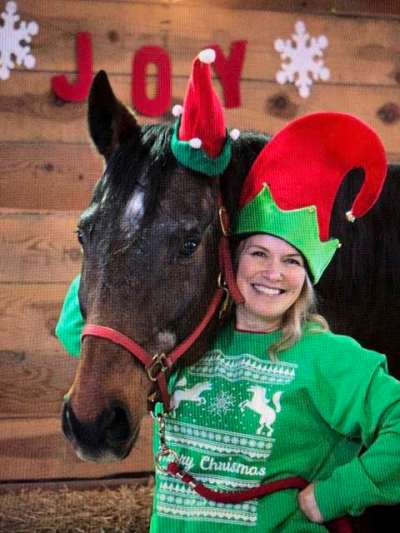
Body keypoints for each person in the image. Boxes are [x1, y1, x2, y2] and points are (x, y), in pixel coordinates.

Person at [56, 109, 400, 532]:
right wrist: (124, 234)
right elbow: (78, 331)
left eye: (291, 261)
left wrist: (336, 494)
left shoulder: (323, 355)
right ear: (230, 257)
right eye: (258, 254)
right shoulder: (189, 346)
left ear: (307, 275)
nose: (273, 273)